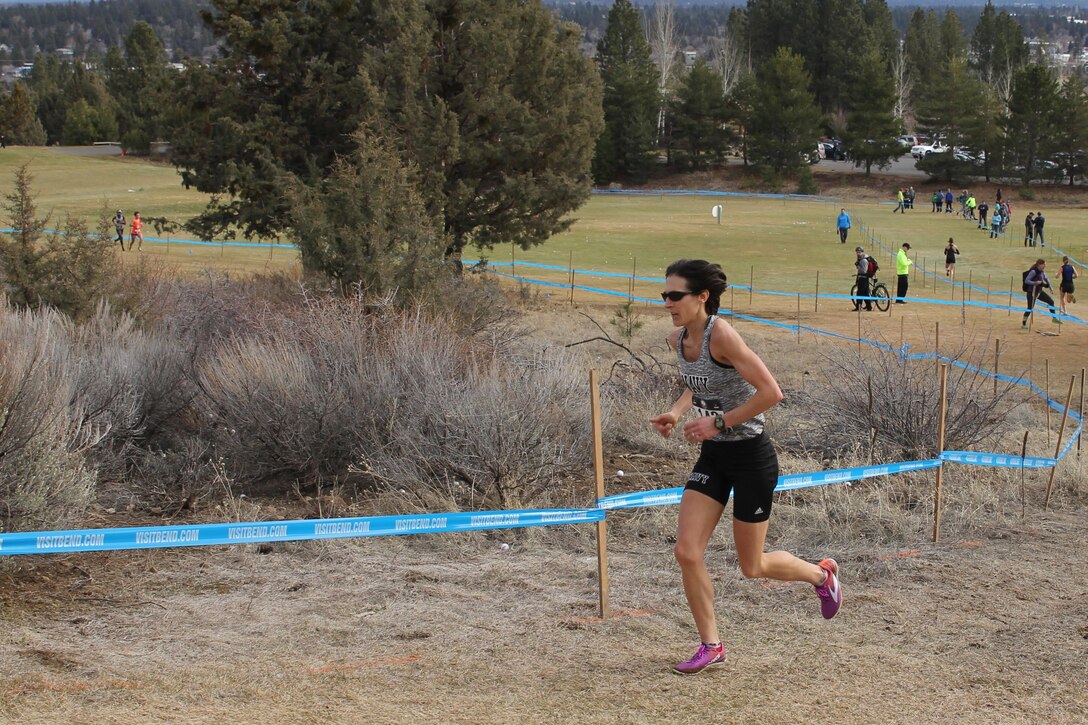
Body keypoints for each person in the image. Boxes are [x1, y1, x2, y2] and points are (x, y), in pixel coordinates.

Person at [650, 259, 841, 675]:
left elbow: (772, 392)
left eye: (675, 295)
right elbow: (695, 381)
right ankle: (711, 645)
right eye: (664, 295)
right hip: (714, 458)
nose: (667, 302)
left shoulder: (724, 336)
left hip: (752, 457)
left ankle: (821, 575)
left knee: (752, 567)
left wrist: (718, 422)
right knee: (687, 551)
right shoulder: (677, 339)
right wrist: (677, 412)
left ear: (702, 297)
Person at [1022, 259, 1061, 328]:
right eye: (1044, 264)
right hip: (1031, 292)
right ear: (1039, 264)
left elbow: (1046, 279)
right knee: (1030, 308)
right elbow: (1026, 280)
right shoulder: (1033, 271)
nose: (1045, 266)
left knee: (1051, 301)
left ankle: (1054, 318)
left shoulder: (1042, 272)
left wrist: (1050, 288)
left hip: (1039, 292)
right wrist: (1035, 283)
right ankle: (1024, 324)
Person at [853, 246, 873, 311]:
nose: (858, 253)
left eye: (859, 252)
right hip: (862, 278)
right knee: (865, 293)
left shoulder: (863, 260)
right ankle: (869, 307)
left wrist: (858, 266)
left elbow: (864, 271)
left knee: (860, 293)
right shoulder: (861, 259)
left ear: (862, 252)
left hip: (863, 279)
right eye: (857, 252)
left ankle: (858, 307)